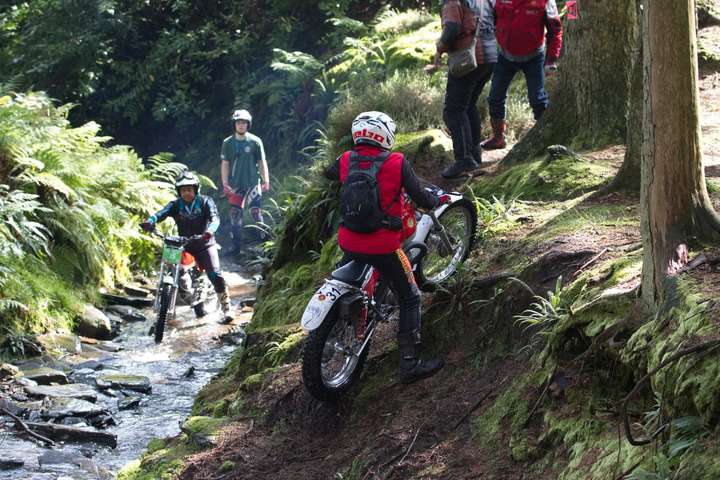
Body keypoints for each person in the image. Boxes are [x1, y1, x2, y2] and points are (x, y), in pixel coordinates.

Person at [324, 111, 448, 384]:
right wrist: (435, 201)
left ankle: (350, 314)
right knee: (410, 296)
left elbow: (328, 173)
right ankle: (409, 364)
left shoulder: (346, 159)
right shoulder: (396, 161)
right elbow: (420, 198)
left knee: (354, 270)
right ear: (386, 136)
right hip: (384, 247)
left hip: (349, 240)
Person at [141, 171, 234, 324]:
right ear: (179, 192)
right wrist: (150, 221)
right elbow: (161, 213)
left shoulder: (205, 201)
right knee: (172, 270)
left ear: (196, 190)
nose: (186, 193)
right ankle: (173, 305)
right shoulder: (175, 205)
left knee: (215, 275)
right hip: (182, 244)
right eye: (183, 190)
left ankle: (226, 308)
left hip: (204, 243)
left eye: (189, 189)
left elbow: (215, 218)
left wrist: (209, 231)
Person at [427, 0, 497, 178]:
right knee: (468, 105)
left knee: (453, 111)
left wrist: (439, 49)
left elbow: (451, 29)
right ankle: (474, 154)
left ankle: (464, 159)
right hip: (490, 56)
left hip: (469, 58)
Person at [481, 0, 563, 150]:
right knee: (495, 97)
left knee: (537, 100)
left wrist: (551, 60)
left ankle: (545, 139)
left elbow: (555, 29)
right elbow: (488, 19)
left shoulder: (546, 1)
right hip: (505, 55)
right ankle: (498, 137)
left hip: (534, 56)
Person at [220, 109, 270, 255]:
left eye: (244, 123)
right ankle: (236, 248)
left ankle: (266, 246)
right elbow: (225, 163)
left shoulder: (255, 141)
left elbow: (261, 162)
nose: (241, 125)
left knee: (256, 213)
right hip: (235, 186)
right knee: (235, 216)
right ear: (234, 124)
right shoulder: (227, 143)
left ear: (248, 124)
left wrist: (266, 180)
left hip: (253, 183)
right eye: (238, 123)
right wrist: (225, 183)